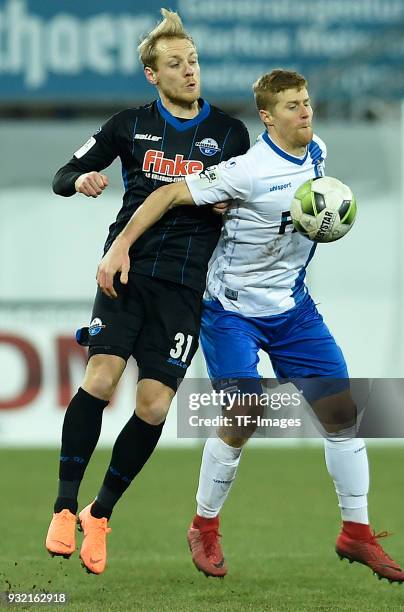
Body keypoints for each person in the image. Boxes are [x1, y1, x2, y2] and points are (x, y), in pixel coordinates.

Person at [97, 69, 404, 584]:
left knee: (341, 410)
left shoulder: (318, 153)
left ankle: (357, 533)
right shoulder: (246, 170)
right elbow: (170, 195)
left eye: (306, 102)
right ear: (267, 116)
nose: (305, 112)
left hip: (292, 309)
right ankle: (205, 526)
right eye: (292, 106)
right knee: (245, 412)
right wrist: (121, 244)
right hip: (231, 311)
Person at [45, 8, 250, 575]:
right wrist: (80, 180)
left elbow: (240, 198)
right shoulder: (127, 124)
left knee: (155, 405)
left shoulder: (230, 133)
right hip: (127, 268)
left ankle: (100, 513)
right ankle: (63, 507)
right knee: (101, 378)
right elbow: (64, 172)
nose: (190, 71)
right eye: (176, 64)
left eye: (194, 62)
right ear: (151, 74)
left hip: (186, 284)